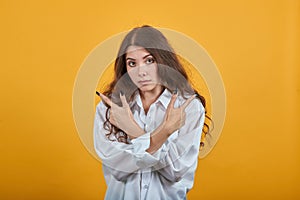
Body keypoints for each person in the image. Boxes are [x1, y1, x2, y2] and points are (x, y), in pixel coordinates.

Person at [93, 25, 209, 200]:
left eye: (149, 60)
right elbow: (119, 171)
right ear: (125, 67)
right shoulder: (109, 108)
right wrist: (163, 134)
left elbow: (175, 172)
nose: (141, 72)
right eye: (132, 63)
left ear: (163, 61)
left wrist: (133, 131)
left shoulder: (189, 107)